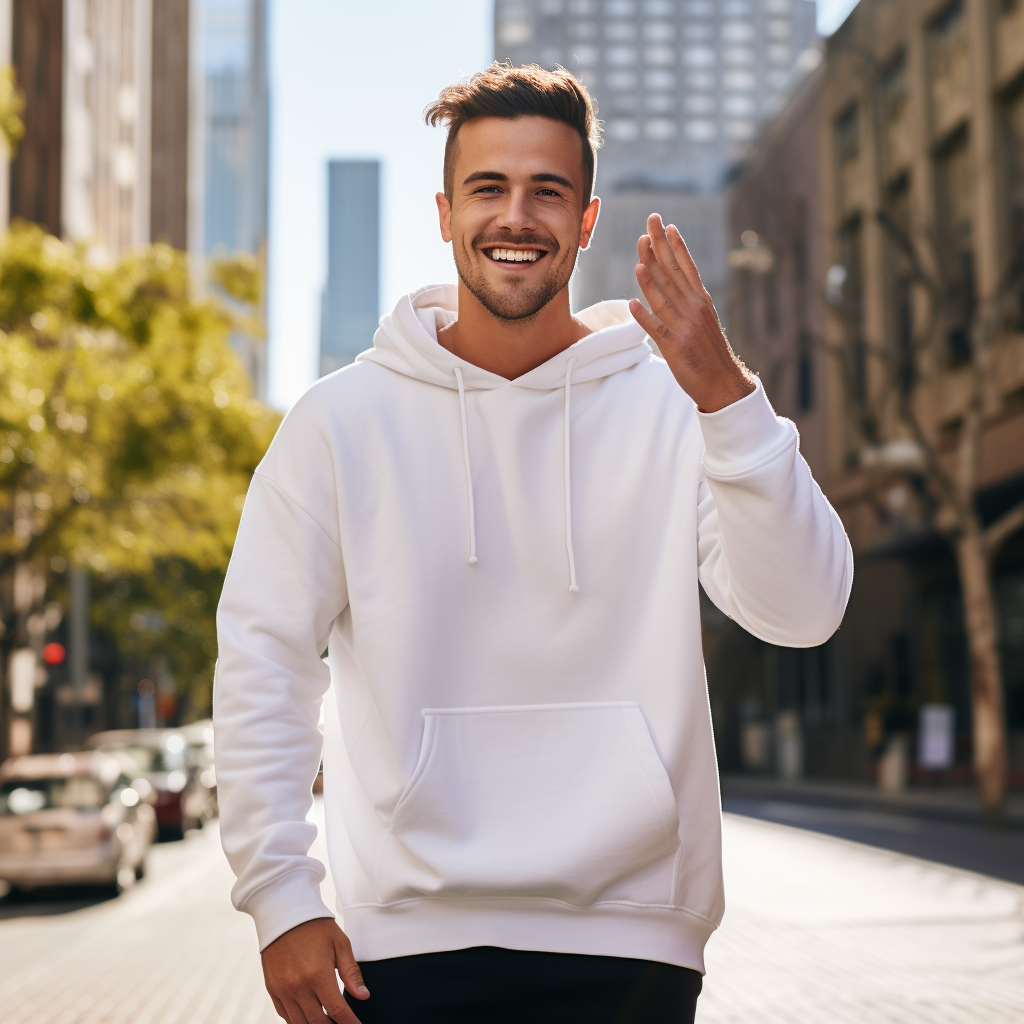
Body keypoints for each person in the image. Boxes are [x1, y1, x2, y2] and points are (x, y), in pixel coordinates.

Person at [214, 63, 852, 1024]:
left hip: (635, 940)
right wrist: (279, 898)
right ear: (444, 211)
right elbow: (262, 658)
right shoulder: (339, 423)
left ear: (587, 220)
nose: (517, 216)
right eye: (488, 188)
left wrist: (728, 395)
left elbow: (805, 612)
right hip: (407, 941)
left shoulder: (680, 407)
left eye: (547, 191)